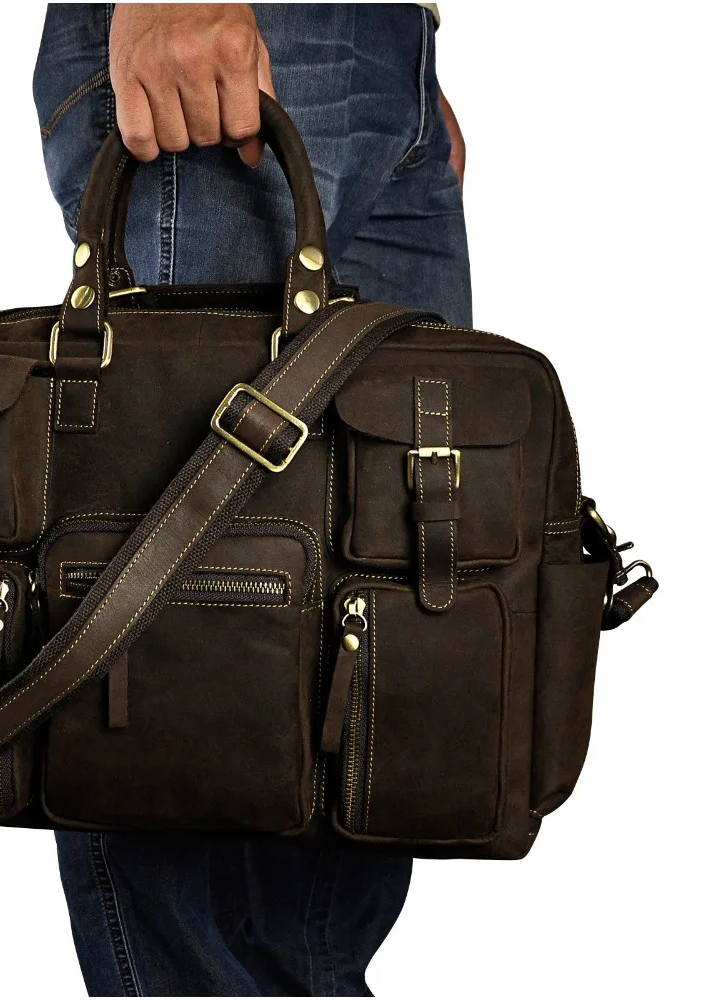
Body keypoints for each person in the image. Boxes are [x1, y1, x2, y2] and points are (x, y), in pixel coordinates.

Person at [34, 4, 469, 995]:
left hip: (382, 53)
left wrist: (400, 52)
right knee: (193, 671)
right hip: (242, 26)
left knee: (376, 627)